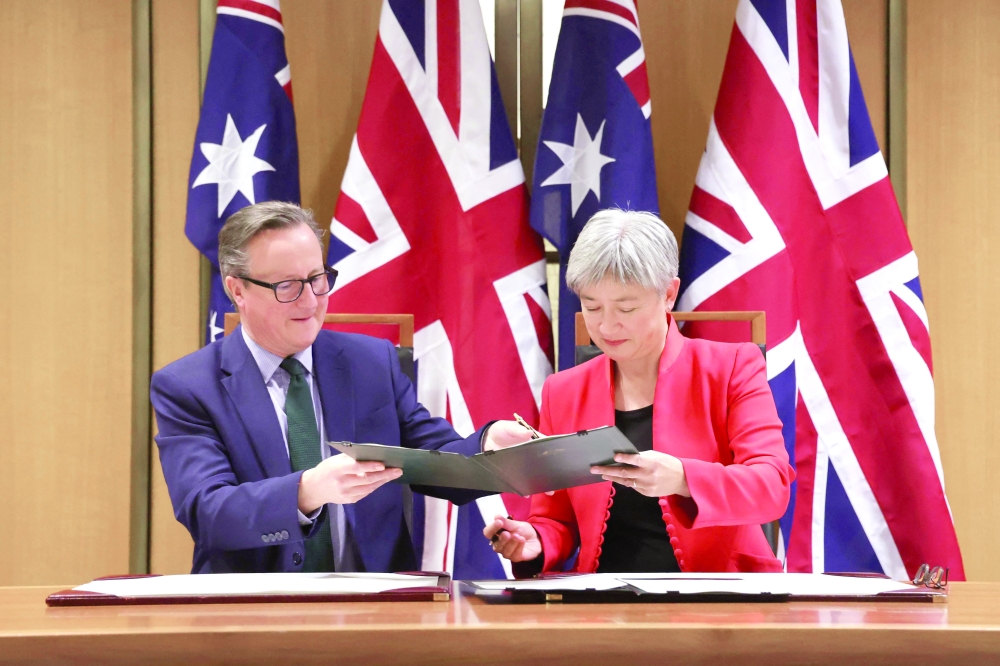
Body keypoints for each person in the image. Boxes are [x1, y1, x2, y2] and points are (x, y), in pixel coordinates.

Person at [151, 201, 531, 574]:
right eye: (287, 286)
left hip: (375, 609)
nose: (310, 300)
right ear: (238, 291)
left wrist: (489, 446)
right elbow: (208, 512)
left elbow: (437, 460)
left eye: (317, 279)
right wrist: (307, 490)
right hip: (252, 613)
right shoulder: (189, 386)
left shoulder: (371, 363)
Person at [484, 209, 794, 575]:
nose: (607, 325)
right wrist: (535, 541)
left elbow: (771, 486)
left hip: (720, 599)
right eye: (591, 306)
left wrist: (681, 477)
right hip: (601, 603)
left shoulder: (730, 368)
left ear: (668, 294)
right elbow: (556, 520)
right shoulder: (563, 390)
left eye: (626, 307)